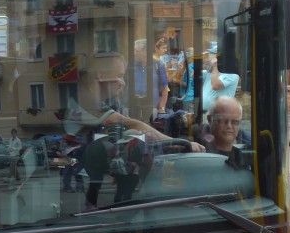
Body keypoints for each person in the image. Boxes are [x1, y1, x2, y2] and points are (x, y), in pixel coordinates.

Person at [68, 54, 203, 209]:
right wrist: (178, 144)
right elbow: (131, 124)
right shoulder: (87, 100)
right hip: (77, 167)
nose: (123, 82)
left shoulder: (102, 101)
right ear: (101, 76)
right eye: (119, 76)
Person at [133, 38, 169, 118]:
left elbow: (165, 88)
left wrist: (161, 108)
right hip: (133, 109)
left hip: (151, 110)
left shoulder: (158, 65)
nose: (134, 53)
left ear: (145, 52)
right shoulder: (131, 65)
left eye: (136, 51)